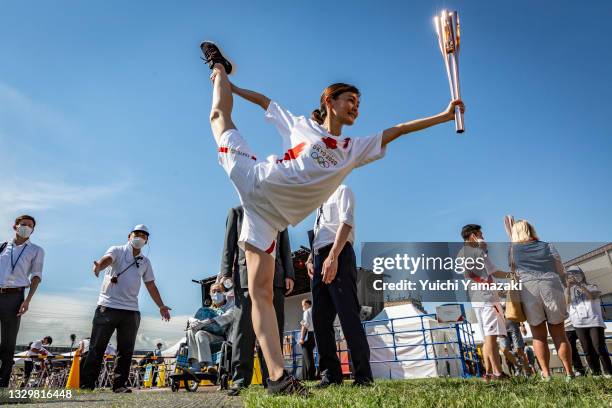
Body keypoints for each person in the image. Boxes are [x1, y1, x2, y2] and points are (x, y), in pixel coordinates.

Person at [200, 41, 464, 395]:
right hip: (256, 178)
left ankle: (277, 380)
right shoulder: (301, 126)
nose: (356, 107)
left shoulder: (353, 149)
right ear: (329, 102)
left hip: (269, 218)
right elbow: (266, 102)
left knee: (261, 294)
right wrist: (232, 85)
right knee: (219, 117)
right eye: (350, 100)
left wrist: (444, 115)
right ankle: (218, 69)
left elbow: (398, 129)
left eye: (359, 103)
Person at [80, 224, 171, 393]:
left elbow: (150, 284)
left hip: (131, 310)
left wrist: (161, 306)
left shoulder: (145, 261)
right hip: (108, 306)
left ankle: (119, 384)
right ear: (129, 236)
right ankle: (87, 384)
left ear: (147, 241)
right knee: (97, 347)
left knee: (126, 350)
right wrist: (99, 265)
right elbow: (107, 259)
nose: (140, 238)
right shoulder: (117, 250)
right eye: (137, 234)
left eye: (144, 236)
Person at [218, 206, 295, 396]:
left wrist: (289, 274)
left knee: (273, 329)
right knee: (243, 331)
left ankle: (274, 378)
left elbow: (284, 245)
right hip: (245, 279)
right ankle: (240, 379)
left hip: (275, 278)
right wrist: (225, 274)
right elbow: (229, 246)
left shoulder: (276, 209)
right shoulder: (237, 212)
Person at [305, 184, 372, 386]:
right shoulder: (319, 202)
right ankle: (331, 374)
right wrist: (311, 258)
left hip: (338, 254)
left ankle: (363, 375)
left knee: (348, 315)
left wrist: (333, 256)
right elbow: (320, 234)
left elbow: (346, 223)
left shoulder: (342, 190)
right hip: (319, 259)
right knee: (320, 319)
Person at [509, 219, 574, 381]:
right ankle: (569, 373)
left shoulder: (512, 250)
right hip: (550, 285)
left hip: (528, 289)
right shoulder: (548, 245)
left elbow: (513, 272)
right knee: (559, 334)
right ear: (531, 230)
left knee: (538, 335)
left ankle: (546, 373)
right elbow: (560, 270)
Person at [458, 224, 511, 380]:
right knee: (491, 337)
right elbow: (493, 272)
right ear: (473, 236)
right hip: (487, 298)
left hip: (477, 299)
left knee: (487, 337)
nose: (483, 236)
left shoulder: (462, 253)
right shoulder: (477, 251)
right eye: (480, 234)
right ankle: (497, 373)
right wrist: (512, 275)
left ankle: (488, 373)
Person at [0, 215, 44, 387]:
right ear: (15, 226)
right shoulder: (3, 247)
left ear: (33, 230)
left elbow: (36, 276)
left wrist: (27, 300)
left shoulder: (36, 250)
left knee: (8, 341)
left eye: (30, 226)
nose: (26, 227)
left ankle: (2, 383)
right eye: (23, 224)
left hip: (15, 297)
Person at [566, 265, 612, 377]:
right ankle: (596, 373)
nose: (574, 276)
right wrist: (568, 287)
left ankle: (608, 372)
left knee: (599, 347)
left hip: (594, 321)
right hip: (578, 323)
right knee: (587, 350)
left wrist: (579, 285)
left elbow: (592, 297)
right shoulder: (569, 291)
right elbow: (567, 303)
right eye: (570, 274)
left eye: (576, 273)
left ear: (582, 274)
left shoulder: (592, 286)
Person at [186, 283, 234, 374]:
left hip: (219, 338)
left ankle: (209, 365)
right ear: (210, 294)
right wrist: (193, 321)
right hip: (205, 336)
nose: (216, 294)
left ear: (224, 293)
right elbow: (193, 318)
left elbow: (227, 317)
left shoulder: (229, 307)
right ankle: (195, 365)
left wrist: (207, 321)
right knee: (190, 331)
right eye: (213, 291)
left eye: (219, 291)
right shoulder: (206, 309)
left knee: (200, 334)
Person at [299, 299, 316, 381]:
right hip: (316, 335)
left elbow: (305, 325)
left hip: (309, 335)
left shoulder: (307, 312)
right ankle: (305, 377)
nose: (302, 307)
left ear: (306, 304)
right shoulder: (315, 310)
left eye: (303, 305)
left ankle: (311, 376)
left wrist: (301, 338)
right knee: (305, 355)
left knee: (308, 356)